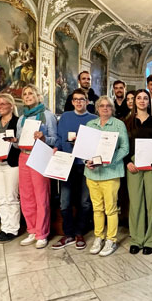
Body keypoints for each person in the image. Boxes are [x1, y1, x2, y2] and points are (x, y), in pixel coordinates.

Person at [85, 96, 129, 257]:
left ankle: (111, 239)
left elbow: (124, 148)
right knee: (97, 208)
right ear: (97, 108)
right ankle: (99, 237)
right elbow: (85, 148)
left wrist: (110, 161)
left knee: (110, 209)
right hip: (92, 173)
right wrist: (86, 161)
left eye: (108, 106)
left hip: (110, 173)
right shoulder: (90, 125)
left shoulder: (118, 124)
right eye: (101, 106)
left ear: (112, 109)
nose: (105, 108)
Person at [52, 88, 96, 250]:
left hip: (85, 165)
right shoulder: (65, 117)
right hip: (66, 164)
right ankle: (68, 234)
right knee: (65, 202)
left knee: (85, 202)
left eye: (82, 99)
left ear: (87, 101)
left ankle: (79, 233)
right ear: (72, 102)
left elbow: (96, 143)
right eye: (76, 99)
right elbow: (58, 137)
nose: (78, 102)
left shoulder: (94, 119)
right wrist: (56, 147)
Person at [15, 85, 57, 248]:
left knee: (41, 196)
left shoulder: (47, 115)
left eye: (30, 93)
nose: (27, 96)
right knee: (26, 196)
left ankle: (42, 233)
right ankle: (31, 230)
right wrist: (14, 142)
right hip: (23, 156)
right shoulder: (21, 118)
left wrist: (44, 137)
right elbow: (19, 141)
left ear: (38, 96)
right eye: (24, 94)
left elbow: (56, 139)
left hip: (40, 154)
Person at [124, 89, 152, 255]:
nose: (141, 101)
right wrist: (127, 162)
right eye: (138, 98)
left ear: (149, 101)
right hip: (133, 165)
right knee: (135, 203)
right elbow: (123, 144)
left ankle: (150, 240)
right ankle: (136, 239)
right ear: (134, 102)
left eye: (145, 98)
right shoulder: (126, 122)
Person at [0, 94, 21, 243]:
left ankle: (13, 229)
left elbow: (21, 143)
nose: (0, 106)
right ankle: (4, 228)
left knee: (11, 197)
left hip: (11, 164)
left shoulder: (18, 122)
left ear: (11, 106)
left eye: (3, 104)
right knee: (0, 198)